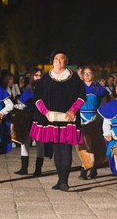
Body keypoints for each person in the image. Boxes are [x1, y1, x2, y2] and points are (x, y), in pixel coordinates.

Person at [29, 49, 86, 191]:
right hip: (51, 119)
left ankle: (64, 181)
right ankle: (60, 180)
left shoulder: (73, 78)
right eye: (56, 58)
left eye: (61, 58)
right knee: (56, 148)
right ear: (52, 61)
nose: (58, 61)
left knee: (66, 149)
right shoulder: (46, 78)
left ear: (66, 61)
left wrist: (73, 110)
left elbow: (82, 96)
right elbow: (37, 97)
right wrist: (45, 112)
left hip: (68, 118)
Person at [78, 66, 106, 180]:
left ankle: (91, 169)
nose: (87, 75)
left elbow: (105, 100)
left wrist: (99, 116)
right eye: (85, 73)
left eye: (90, 73)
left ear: (93, 75)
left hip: (93, 119)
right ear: (82, 75)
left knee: (93, 145)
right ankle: (86, 169)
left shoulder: (98, 88)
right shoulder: (79, 87)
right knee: (84, 145)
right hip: (81, 118)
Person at [14, 67, 43, 176]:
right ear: (32, 76)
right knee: (24, 141)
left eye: (40, 75)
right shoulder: (28, 89)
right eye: (36, 75)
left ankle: (38, 169)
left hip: (40, 117)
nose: (38, 77)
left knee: (40, 143)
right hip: (27, 118)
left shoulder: (45, 88)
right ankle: (24, 168)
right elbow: (22, 103)